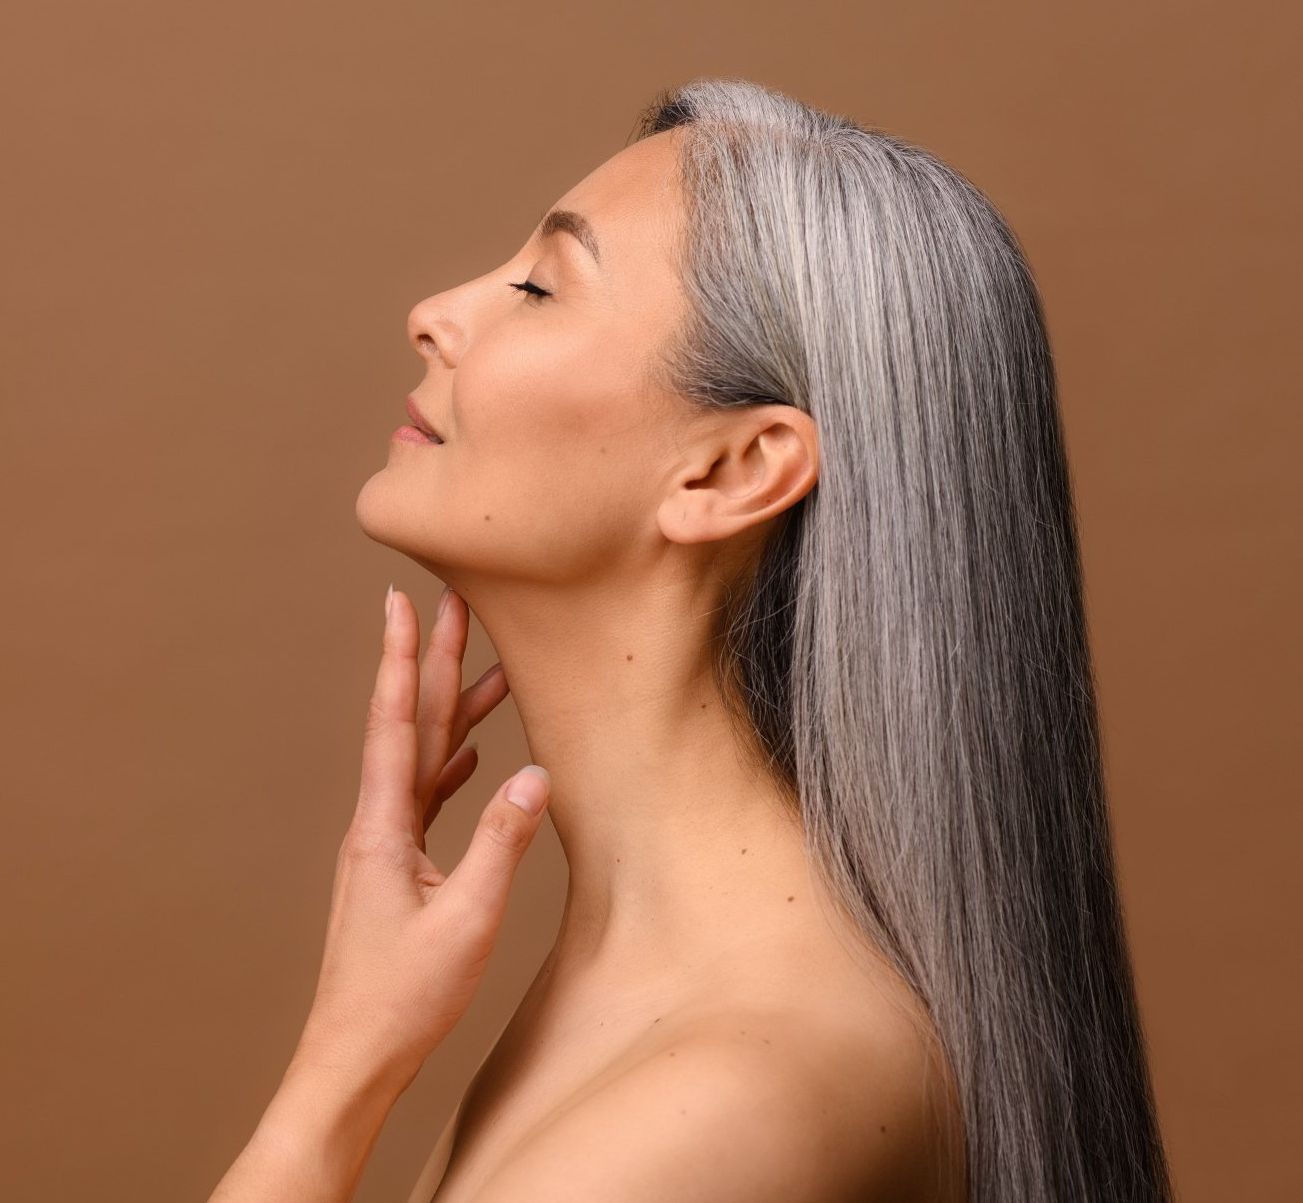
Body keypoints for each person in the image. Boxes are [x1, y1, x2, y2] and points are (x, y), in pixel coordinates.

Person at [210, 78, 1173, 1203]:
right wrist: (354, 1043)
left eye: (537, 287)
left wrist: (332, 1086)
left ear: (733, 469)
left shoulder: (715, 1111)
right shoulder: (653, 990)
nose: (435, 311)